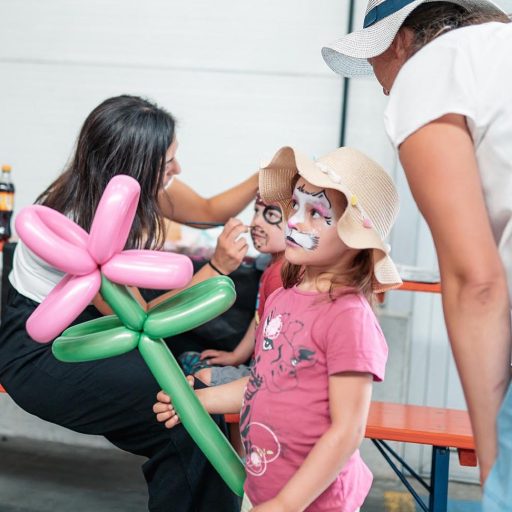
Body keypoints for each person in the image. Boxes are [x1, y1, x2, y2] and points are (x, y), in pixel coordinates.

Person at [0, 94, 259, 512]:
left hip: (90, 330)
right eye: (168, 162)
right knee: (184, 416)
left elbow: (211, 210)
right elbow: (146, 319)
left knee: (189, 406)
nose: (178, 170)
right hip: (41, 352)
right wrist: (217, 267)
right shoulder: (83, 226)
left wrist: (268, 175)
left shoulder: (131, 187)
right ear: (134, 164)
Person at [321, 1, 512, 509]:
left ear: (403, 40)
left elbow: (476, 281)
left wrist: (491, 456)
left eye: (377, 60)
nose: (382, 83)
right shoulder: (497, 54)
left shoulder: (431, 68)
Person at [154, 146, 402, 512]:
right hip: (264, 491)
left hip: (317, 503)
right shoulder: (284, 297)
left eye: (317, 213)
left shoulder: (349, 317)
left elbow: (348, 431)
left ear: (355, 239)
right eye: (296, 207)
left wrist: (288, 503)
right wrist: (196, 402)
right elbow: (264, 383)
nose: (295, 222)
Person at [179, 192, 286, 387]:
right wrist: (236, 356)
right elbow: (259, 320)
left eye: (271, 215)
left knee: (199, 375)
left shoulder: (282, 275)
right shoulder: (269, 266)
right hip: (256, 365)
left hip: (267, 377)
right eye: (256, 212)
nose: (255, 223)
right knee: (188, 358)